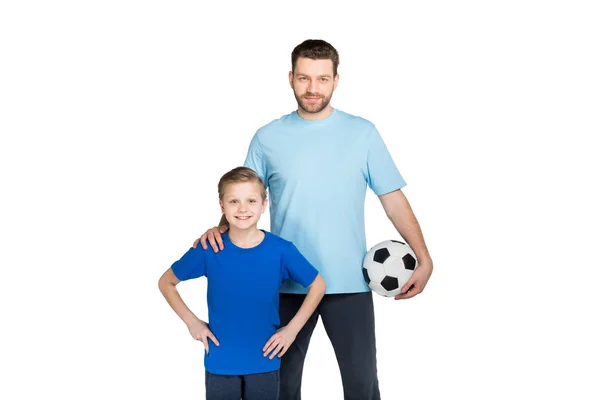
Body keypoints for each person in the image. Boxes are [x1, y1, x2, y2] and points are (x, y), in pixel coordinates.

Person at [193, 39, 434, 400]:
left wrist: (424, 256)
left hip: (349, 282)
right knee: (280, 386)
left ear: (336, 80)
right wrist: (220, 229)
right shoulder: (267, 137)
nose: (312, 88)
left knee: (361, 385)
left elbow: (392, 198)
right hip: (283, 284)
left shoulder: (362, 133)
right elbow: (244, 198)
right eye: (304, 78)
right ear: (291, 78)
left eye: (322, 79)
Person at [159, 166, 326, 400]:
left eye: (251, 200)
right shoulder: (209, 249)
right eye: (234, 201)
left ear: (263, 204)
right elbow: (166, 282)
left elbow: (318, 285)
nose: (243, 208)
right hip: (221, 361)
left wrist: (292, 330)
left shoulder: (281, 250)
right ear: (222, 206)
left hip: (264, 360)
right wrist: (192, 322)